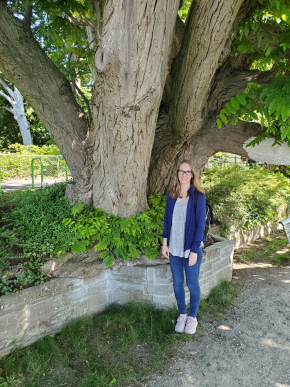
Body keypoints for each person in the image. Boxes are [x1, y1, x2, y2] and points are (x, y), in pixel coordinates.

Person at [162, 159, 206, 334]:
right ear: (177, 173)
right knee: (178, 284)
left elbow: (201, 226)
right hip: (174, 249)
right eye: (181, 171)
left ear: (192, 175)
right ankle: (182, 314)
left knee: (193, 284)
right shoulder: (171, 195)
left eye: (188, 172)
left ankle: (192, 317)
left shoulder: (198, 197)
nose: (184, 174)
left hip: (190, 250)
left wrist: (194, 251)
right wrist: (165, 244)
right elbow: (167, 221)